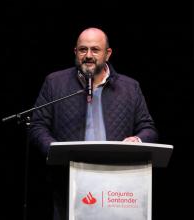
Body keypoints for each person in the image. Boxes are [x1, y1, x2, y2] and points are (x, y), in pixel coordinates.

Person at [29, 27, 158, 220]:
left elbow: (148, 128)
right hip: (69, 182)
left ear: (108, 54)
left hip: (117, 186)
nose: (88, 55)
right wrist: (54, 149)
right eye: (83, 49)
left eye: (95, 50)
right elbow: (38, 125)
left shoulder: (130, 88)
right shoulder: (55, 83)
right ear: (75, 52)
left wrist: (138, 140)